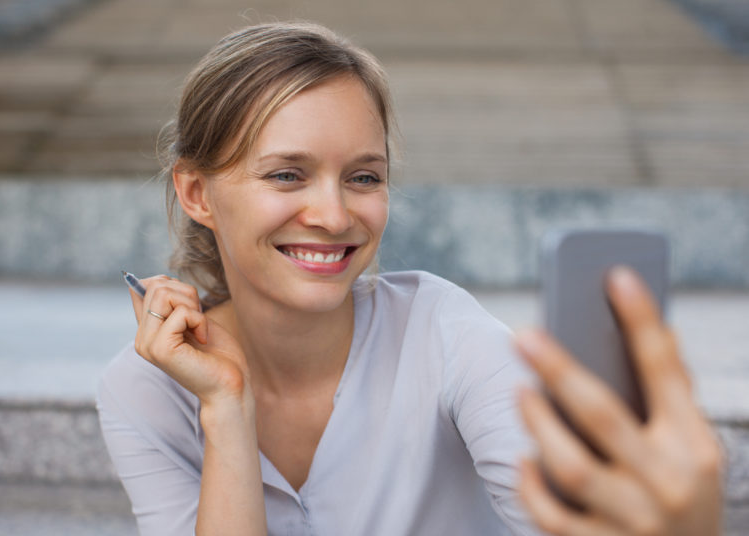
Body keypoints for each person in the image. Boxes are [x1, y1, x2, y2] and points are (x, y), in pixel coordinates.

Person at [96, 21, 723, 536]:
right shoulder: (143, 390)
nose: (335, 215)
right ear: (197, 192)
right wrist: (227, 409)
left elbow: (576, 520)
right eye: (287, 174)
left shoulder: (445, 333)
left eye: (364, 177)